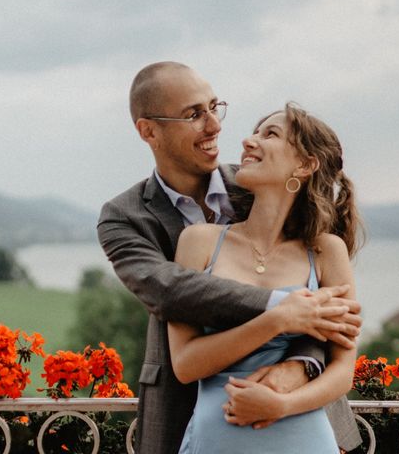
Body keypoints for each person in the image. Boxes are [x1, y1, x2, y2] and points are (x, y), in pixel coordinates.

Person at [97, 62, 362, 454]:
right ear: (148, 130)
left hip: (303, 418)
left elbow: (327, 319)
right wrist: (282, 310)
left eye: (213, 107)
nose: (215, 126)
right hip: (193, 415)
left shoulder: (261, 181)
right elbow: (170, 292)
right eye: (193, 114)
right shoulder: (125, 217)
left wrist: (299, 366)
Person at [168, 103, 363, 453]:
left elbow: (342, 372)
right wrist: (279, 319)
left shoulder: (325, 252)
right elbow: (184, 365)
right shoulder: (199, 242)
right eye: (254, 132)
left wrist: (282, 406)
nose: (247, 141)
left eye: (269, 134)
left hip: (304, 439)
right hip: (215, 442)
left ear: (304, 164)